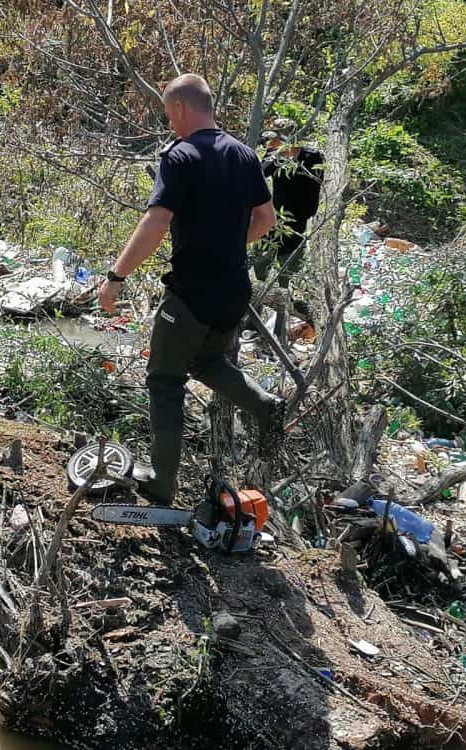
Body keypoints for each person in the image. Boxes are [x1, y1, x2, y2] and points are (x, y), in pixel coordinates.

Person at [98, 74, 285, 505]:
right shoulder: (244, 154)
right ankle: (263, 403)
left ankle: (162, 486)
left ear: (180, 108)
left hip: (191, 293)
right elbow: (267, 220)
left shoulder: (180, 157)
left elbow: (156, 222)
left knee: (164, 381)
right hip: (234, 292)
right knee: (206, 361)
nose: (170, 124)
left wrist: (116, 277)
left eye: (169, 115)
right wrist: (228, 244)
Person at [252, 117, 325, 336]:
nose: (271, 144)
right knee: (259, 270)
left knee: (286, 280)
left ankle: (279, 331)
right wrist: (275, 155)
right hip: (271, 222)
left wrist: (291, 159)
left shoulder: (312, 157)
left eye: (277, 139)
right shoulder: (274, 156)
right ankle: (252, 319)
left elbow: (315, 188)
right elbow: (259, 173)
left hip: (296, 227)